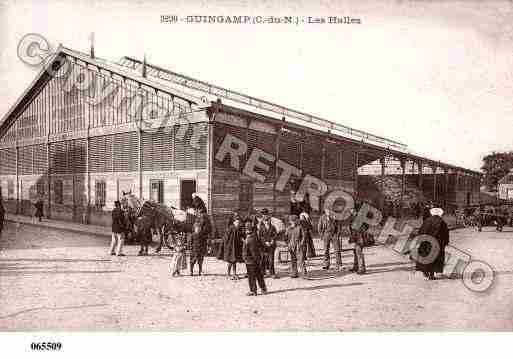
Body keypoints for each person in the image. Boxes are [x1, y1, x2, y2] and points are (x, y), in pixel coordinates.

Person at [415, 207, 449, 280]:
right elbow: (445, 234)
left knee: (427, 257)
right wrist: (445, 243)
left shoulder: (427, 221)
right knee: (436, 258)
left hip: (427, 243)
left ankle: (426, 273)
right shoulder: (442, 222)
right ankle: (433, 274)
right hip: (438, 243)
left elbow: (422, 231)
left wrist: (419, 241)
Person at [243, 220, 267, 296]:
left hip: (251, 260)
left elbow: (253, 251)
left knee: (251, 276)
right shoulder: (254, 237)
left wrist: (255, 260)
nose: (246, 232)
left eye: (246, 231)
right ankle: (263, 289)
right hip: (254, 260)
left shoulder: (250, 239)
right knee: (259, 275)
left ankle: (253, 291)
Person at [257, 208, 278, 278]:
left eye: (266, 215)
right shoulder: (261, 226)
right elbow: (260, 236)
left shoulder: (273, 226)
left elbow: (275, 234)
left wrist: (272, 240)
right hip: (263, 246)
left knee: (271, 259)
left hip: (271, 246)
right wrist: (265, 242)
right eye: (263, 215)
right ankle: (263, 273)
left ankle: (272, 273)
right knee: (263, 259)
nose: (265, 216)